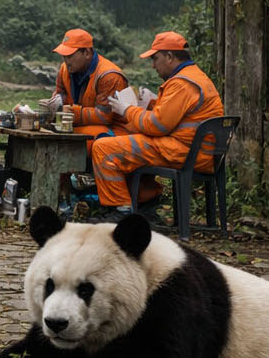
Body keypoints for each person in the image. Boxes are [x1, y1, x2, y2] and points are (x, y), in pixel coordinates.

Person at [87, 31, 224, 224]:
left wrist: (127, 110)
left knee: (104, 148)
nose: (153, 65)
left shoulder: (182, 84)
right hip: (194, 149)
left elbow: (157, 126)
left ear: (169, 57)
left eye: (155, 58)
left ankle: (120, 211)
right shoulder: (194, 77)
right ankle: (146, 207)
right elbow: (172, 117)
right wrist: (152, 104)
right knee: (126, 144)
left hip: (185, 151)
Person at [39, 28, 129, 140]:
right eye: (64, 56)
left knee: (70, 140)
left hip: (113, 129)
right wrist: (55, 102)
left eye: (70, 56)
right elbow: (61, 93)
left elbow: (105, 116)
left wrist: (72, 113)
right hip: (78, 123)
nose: (66, 61)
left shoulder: (109, 76)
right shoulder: (64, 69)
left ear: (87, 53)